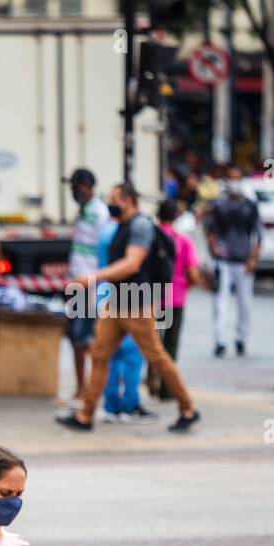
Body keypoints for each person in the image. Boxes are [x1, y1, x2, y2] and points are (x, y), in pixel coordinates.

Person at [58, 182, 200, 433]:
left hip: (136, 304)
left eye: (115, 198)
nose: (111, 203)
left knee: (156, 357)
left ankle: (188, 408)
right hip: (116, 302)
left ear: (128, 200)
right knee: (100, 355)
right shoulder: (122, 226)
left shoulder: (140, 226)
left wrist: (93, 277)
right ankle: (85, 415)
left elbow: (132, 264)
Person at [96, 216, 158, 424]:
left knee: (109, 355)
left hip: (105, 294)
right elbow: (132, 265)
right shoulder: (128, 232)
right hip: (129, 297)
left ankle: (111, 406)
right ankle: (130, 404)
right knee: (133, 354)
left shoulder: (107, 230)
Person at [65, 169, 111, 405]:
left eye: (76, 186)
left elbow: (104, 252)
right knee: (76, 338)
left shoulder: (99, 212)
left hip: (90, 286)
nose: (73, 191)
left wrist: (93, 279)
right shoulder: (84, 211)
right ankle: (80, 388)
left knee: (89, 339)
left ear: (87, 185)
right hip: (77, 283)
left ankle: (94, 388)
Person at [205, 166, 262, 357]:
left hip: (244, 261)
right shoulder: (219, 205)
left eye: (237, 178)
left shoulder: (250, 205)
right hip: (224, 261)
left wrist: (253, 258)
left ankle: (241, 339)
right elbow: (210, 231)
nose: (234, 182)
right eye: (231, 178)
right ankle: (220, 340)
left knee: (244, 304)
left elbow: (258, 234)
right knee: (220, 302)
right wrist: (214, 248)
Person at [151, 199, 201, 401]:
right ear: (176, 217)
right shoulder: (183, 241)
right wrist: (187, 286)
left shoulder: (150, 239)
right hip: (176, 299)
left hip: (152, 297)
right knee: (170, 345)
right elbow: (194, 274)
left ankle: (151, 376)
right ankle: (166, 390)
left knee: (152, 343)